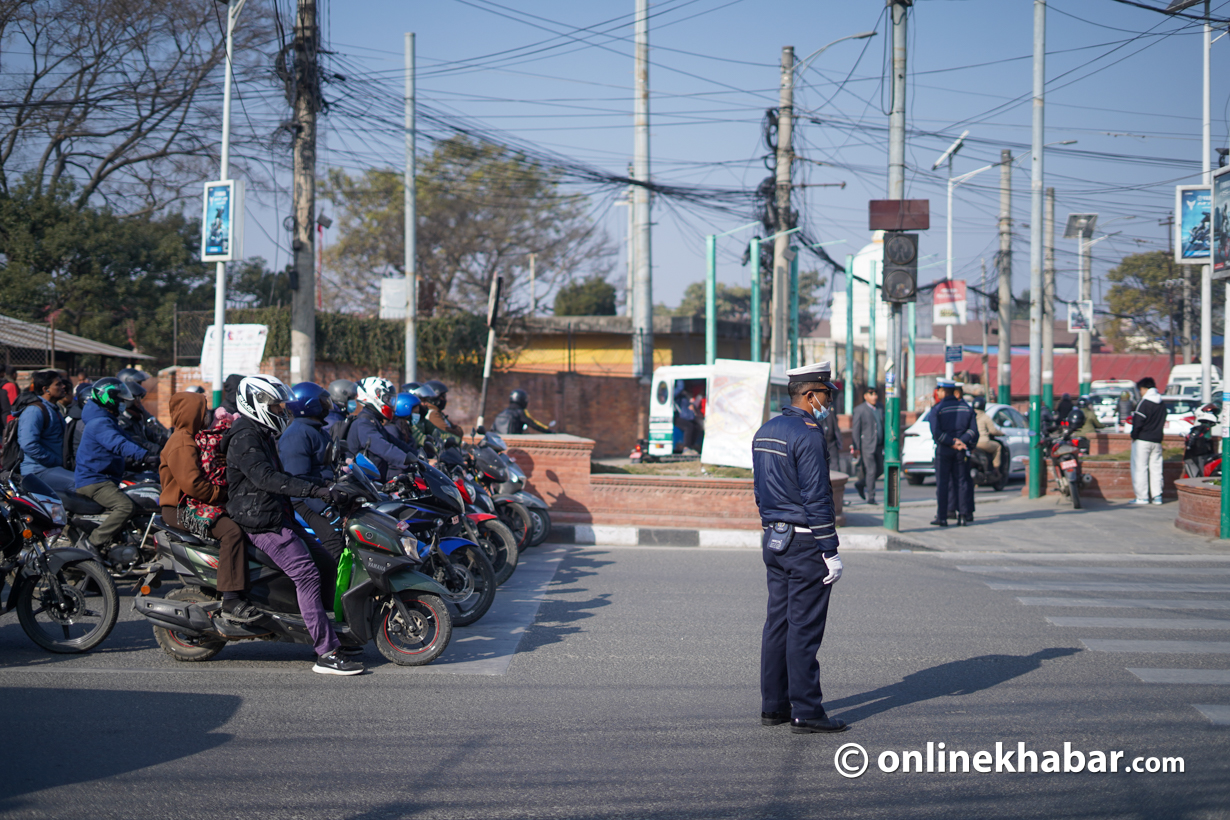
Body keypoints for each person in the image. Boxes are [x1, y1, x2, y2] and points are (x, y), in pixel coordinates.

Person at [222, 375, 362, 676]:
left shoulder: (261, 432)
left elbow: (285, 474)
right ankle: (325, 653)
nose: (280, 411)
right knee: (307, 573)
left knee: (325, 562)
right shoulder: (244, 436)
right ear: (256, 404)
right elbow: (266, 479)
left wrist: (328, 485)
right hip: (260, 520)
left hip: (276, 513)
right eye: (274, 406)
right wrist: (317, 491)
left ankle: (332, 633)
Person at [751, 361, 845, 734]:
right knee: (804, 629)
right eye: (826, 394)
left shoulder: (766, 430)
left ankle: (773, 706)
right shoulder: (808, 433)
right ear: (810, 394)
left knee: (777, 624)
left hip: (773, 538)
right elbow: (817, 496)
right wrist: (830, 548)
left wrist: (769, 525)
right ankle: (806, 711)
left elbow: (760, 489)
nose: (828, 402)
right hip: (806, 543)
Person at [159, 390, 256, 621]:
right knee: (231, 532)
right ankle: (231, 598)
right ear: (191, 414)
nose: (207, 416)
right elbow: (193, 485)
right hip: (180, 511)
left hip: (194, 505)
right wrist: (222, 493)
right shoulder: (182, 442)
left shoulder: (195, 437)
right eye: (203, 412)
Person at [73, 378, 159, 551]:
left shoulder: (106, 419)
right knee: (125, 506)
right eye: (120, 399)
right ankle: (91, 543)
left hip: (104, 478)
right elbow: (119, 444)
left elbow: (131, 440)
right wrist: (145, 457)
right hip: (95, 482)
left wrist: (157, 454)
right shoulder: (100, 423)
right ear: (109, 399)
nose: (123, 403)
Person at [279, 382, 346, 561]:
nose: (327, 406)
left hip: (322, 494)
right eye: (323, 402)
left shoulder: (316, 430)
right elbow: (297, 479)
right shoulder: (297, 434)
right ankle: (331, 587)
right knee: (334, 541)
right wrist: (324, 509)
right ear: (308, 405)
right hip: (302, 500)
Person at [346, 376, 417, 481]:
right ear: (373, 397)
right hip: (363, 485)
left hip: (375, 482)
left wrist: (417, 456)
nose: (390, 404)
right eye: (387, 399)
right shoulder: (363, 424)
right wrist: (407, 461)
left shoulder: (374, 422)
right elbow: (384, 448)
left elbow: (395, 442)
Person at [930, 378, 978, 527]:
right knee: (962, 482)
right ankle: (962, 516)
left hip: (944, 450)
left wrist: (951, 442)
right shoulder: (967, 408)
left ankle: (942, 517)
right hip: (961, 451)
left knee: (943, 483)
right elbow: (973, 431)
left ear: (943, 391)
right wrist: (961, 442)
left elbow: (936, 432)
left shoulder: (938, 409)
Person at [17, 370, 73, 492]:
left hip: (53, 468)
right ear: (45, 389)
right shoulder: (35, 411)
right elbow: (29, 444)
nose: (63, 386)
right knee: (80, 484)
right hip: (38, 471)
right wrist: (55, 460)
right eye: (58, 384)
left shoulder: (54, 409)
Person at [1129, 376, 1166, 505]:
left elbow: (1138, 422)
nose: (1140, 392)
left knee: (1140, 468)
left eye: (1140, 390)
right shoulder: (1161, 403)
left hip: (1142, 441)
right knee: (1156, 469)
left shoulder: (1144, 403)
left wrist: (1134, 436)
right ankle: (1157, 496)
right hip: (1157, 441)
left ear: (1144, 389)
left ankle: (1142, 497)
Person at [850, 385, 884, 504]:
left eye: (875, 394)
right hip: (867, 445)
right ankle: (871, 497)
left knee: (880, 469)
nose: (874, 397)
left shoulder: (880, 408)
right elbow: (856, 430)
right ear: (865, 396)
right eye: (871, 394)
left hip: (879, 445)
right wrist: (857, 447)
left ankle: (861, 483)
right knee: (871, 470)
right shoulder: (860, 410)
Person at [971, 396, 1004, 471]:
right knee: (998, 447)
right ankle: (996, 469)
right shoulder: (985, 416)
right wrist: (1001, 433)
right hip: (983, 442)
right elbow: (993, 431)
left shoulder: (970, 415)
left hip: (971, 442)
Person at [672, 382, 698, 454]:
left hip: (685, 417)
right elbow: (680, 387)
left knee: (695, 426)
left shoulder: (685, 395)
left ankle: (691, 446)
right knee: (689, 426)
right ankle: (686, 448)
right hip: (676, 417)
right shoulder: (673, 393)